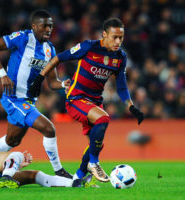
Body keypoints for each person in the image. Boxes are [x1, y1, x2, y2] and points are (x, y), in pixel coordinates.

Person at [29, 18, 144, 182]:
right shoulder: (89, 46)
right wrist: (40, 78)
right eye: (114, 37)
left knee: (96, 145)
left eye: (121, 37)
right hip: (76, 99)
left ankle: (78, 178)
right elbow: (58, 58)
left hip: (94, 102)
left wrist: (131, 107)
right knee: (103, 119)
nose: (118, 41)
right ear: (104, 34)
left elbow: (122, 86)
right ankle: (94, 163)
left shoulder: (120, 57)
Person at [0, 10, 72, 178]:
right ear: (34, 26)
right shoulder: (23, 38)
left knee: (12, 140)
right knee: (48, 128)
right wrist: (2, 74)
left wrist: (63, 84)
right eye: (44, 26)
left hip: (29, 101)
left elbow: (52, 82)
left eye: (50, 26)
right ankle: (59, 171)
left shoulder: (49, 50)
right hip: (13, 98)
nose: (48, 29)